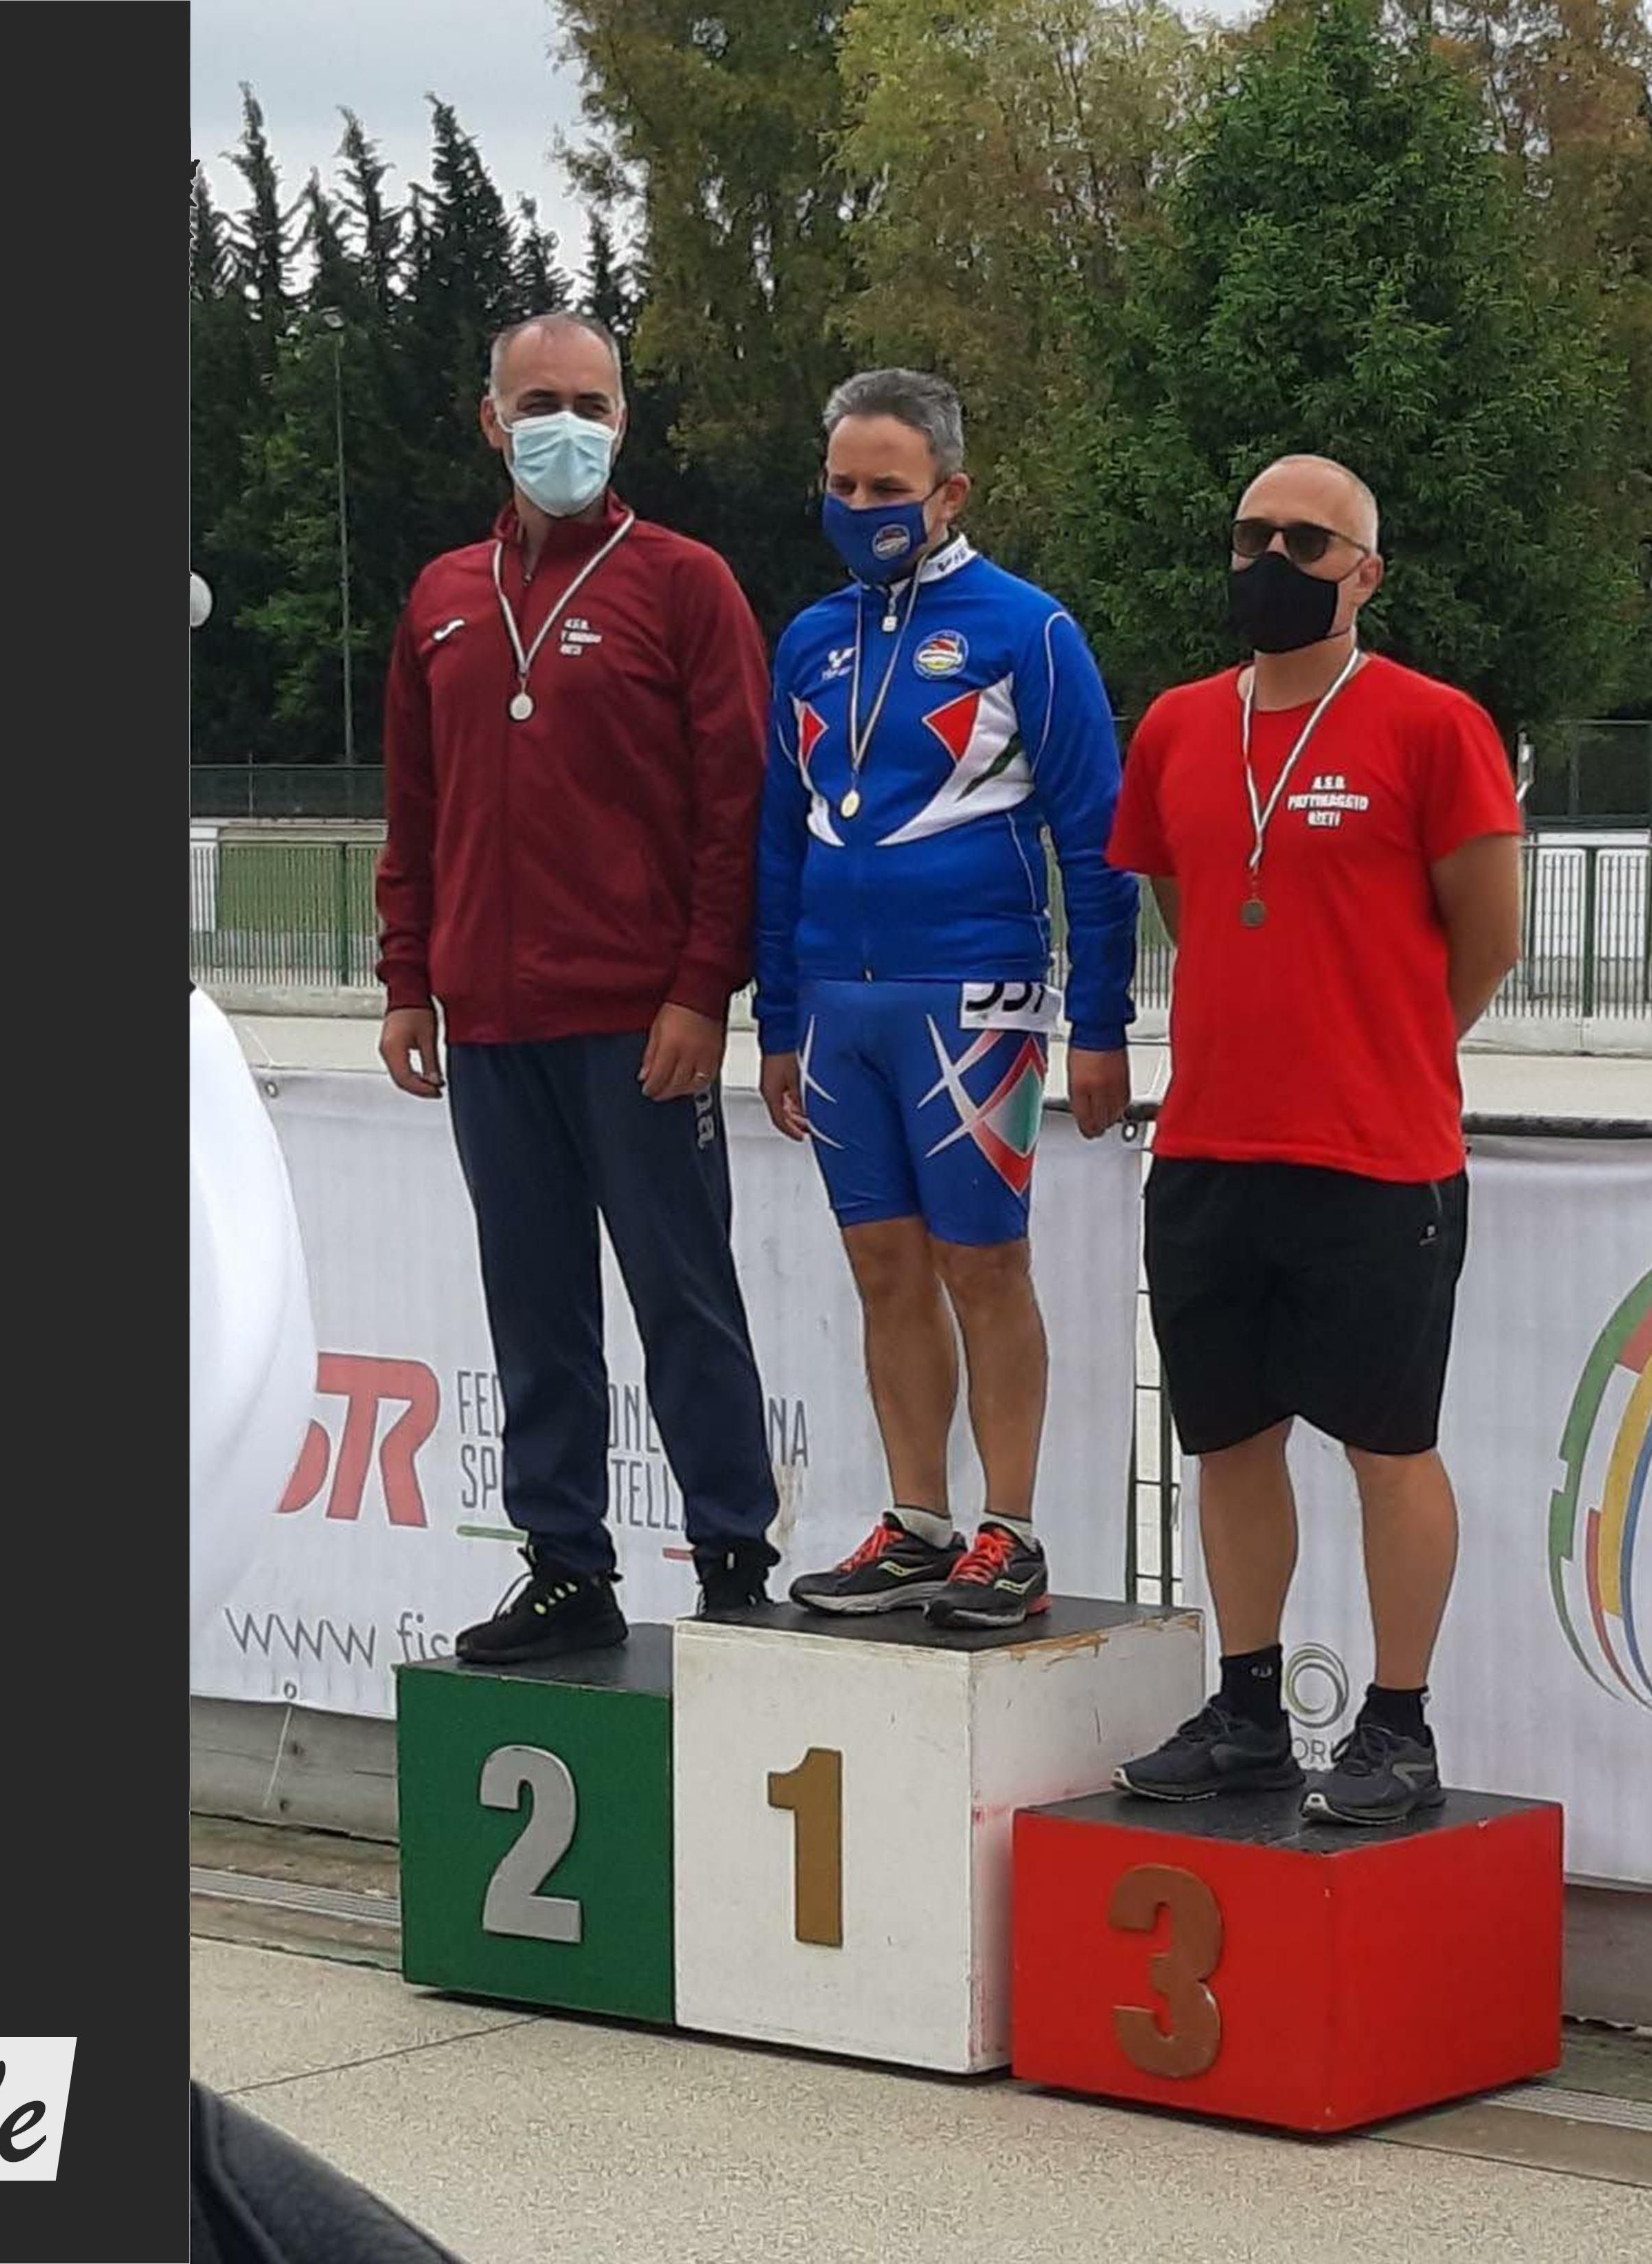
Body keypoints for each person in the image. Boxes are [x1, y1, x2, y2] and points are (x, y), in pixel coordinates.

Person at [1101, 453, 1525, 1824]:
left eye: (1306, 539)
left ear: (1366, 573)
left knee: (1386, 1446)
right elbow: (1183, 904)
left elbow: (1490, 937)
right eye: (1250, 535)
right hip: (1211, 1147)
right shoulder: (1177, 726)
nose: (1271, 559)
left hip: (1377, 1156)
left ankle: (1398, 1725)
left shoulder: (1433, 725)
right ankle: (1247, 1710)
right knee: (1229, 1439)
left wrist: (1380, 1047)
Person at [374, 311, 782, 1661]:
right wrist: (407, 977)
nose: (567, 425)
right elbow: (416, 806)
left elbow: (735, 807)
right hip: (491, 1024)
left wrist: (701, 989)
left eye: (591, 404)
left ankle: (733, 1560)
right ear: (491, 420)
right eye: (539, 401)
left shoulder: (684, 583)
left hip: (636, 1022)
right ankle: (564, 1564)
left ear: (624, 422)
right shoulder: (442, 594)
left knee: (684, 1297)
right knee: (534, 1311)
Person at [753, 369, 1137, 1629]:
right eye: (842, 485)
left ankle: (1009, 1532)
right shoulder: (809, 640)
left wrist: (1101, 1022)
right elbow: (779, 838)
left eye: (889, 488)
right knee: (882, 1267)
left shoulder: (1028, 630)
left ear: (951, 492)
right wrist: (777, 1016)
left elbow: (1099, 840)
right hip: (837, 1005)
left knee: (984, 1262)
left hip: (975, 998)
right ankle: (918, 1523)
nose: (861, 508)